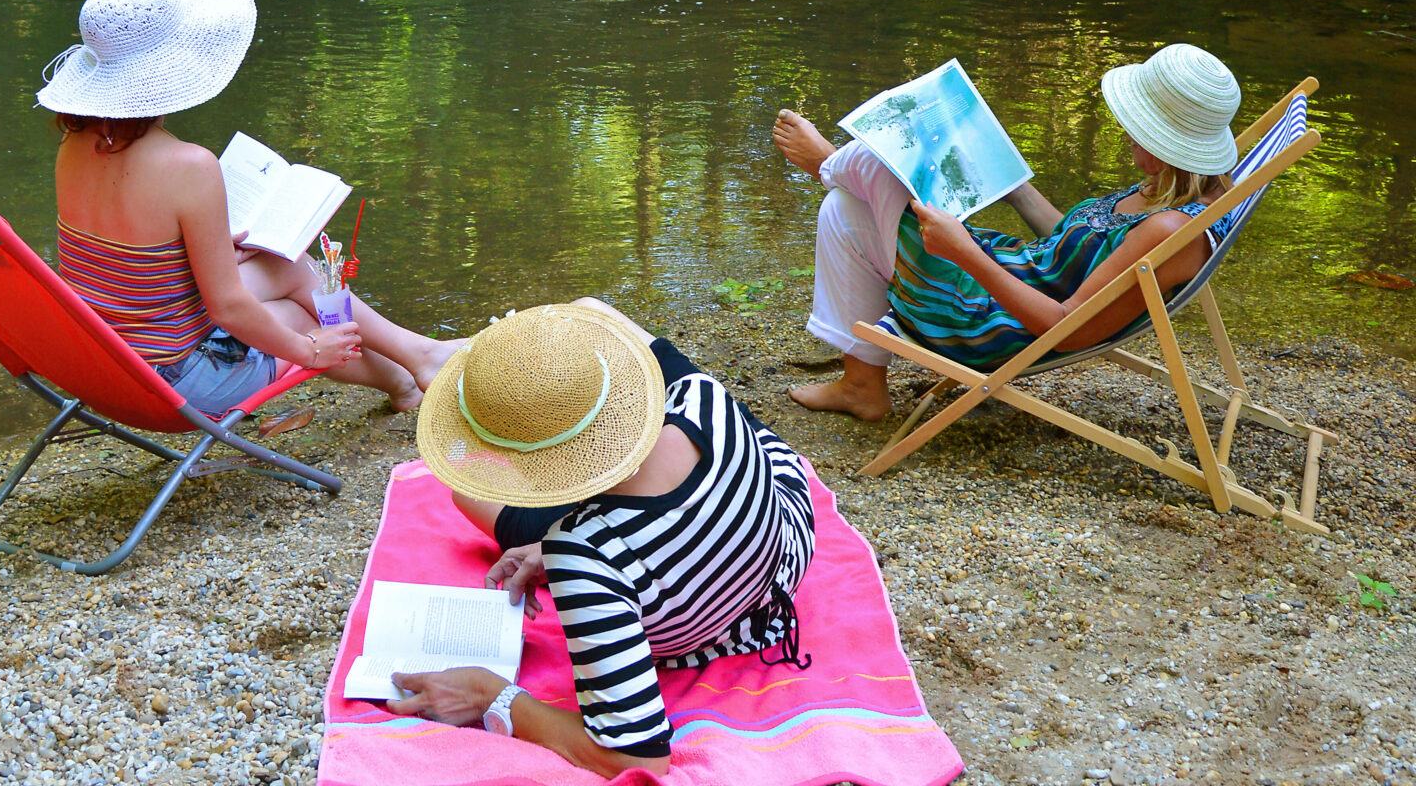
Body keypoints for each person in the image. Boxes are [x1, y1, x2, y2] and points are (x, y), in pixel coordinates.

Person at [385, 299, 815, 780]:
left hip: (710, 633)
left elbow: (638, 758)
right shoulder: (701, 396)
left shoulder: (583, 551)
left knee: (465, 493)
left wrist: (491, 696)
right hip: (784, 542)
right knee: (589, 307)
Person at [38, 0, 458, 414]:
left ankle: (417, 363)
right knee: (301, 316)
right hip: (178, 379)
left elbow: (124, 259)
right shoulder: (188, 166)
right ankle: (411, 371)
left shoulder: (74, 145)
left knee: (288, 267)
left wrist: (211, 248)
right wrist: (311, 350)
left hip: (106, 361)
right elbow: (228, 310)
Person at [772, 43, 1242, 421]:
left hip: (990, 320)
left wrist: (965, 254)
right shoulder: (1184, 190)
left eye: (1137, 128)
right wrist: (1015, 186)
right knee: (854, 200)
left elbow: (1068, 328)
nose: (1127, 133)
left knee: (869, 179)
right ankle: (861, 385)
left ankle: (828, 164)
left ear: (1164, 144)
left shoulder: (1169, 231)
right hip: (1014, 271)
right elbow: (1077, 250)